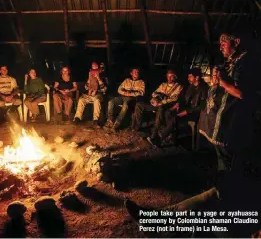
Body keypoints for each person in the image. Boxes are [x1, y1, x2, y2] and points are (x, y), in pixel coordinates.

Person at [125, 32, 261, 238]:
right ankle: (156, 219)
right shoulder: (232, 64)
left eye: (225, 42)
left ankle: (169, 225)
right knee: (218, 192)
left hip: (233, 133)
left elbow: (242, 93)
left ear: (237, 42)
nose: (221, 46)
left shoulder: (246, 62)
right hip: (227, 139)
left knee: (220, 206)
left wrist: (222, 82)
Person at [146, 69, 183, 146]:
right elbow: (154, 93)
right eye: (168, 76)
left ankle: (154, 135)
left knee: (161, 109)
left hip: (170, 105)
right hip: (159, 104)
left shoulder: (178, 86)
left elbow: (174, 98)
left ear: (175, 77)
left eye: (171, 77)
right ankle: (155, 134)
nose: (169, 78)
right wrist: (159, 95)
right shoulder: (163, 84)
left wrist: (162, 101)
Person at [104, 68, 145, 132]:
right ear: (131, 73)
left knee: (125, 106)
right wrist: (125, 93)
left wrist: (131, 93)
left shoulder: (141, 82)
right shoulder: (126, 80)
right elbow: (119, 89)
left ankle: (117, 124)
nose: (136, 73)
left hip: (131, 98)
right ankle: (110, 120)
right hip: (123, 97)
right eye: (135, 72)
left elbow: (142, 92)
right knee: (111, 102)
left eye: (137, 72)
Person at [74, 62, 107, 128]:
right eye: (93, 66)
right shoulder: (90, 75)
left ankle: (95, 120)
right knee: (81, 100)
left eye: (95, 65)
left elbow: (104, 90)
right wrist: (88, 81)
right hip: (89, 95)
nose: (94, 67)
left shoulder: (103, 77)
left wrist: (98, 78)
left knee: (97, 101)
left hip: (97, 95)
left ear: (98, 67)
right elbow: (86, 88)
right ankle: (77, 118)